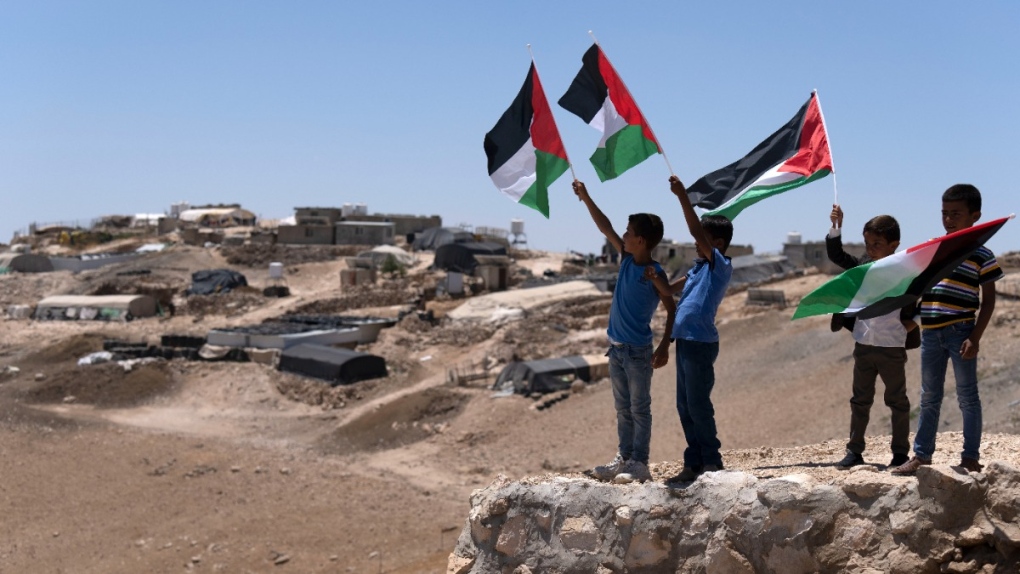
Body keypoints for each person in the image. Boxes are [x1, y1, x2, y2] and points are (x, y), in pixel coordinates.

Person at [893, 184, 1003, 475]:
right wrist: (913, 319)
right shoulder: (935, 248)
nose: (949, 220)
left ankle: (970, 457)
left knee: (967, 396)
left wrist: (975, 338)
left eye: (956, 214)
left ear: (975, 215)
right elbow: (925, 291)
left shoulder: (982, 254)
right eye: (945, 213)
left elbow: (989, 302)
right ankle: (921, 456)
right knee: (929, 395)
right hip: (931, 333)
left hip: (961, 332)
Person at [572, 179, 676, 484]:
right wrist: (586, 196)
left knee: (639, 408)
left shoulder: (654, 273)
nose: (624, 236)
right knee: (622, 409)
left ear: (641, 240)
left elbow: (672, 308)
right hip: (615, 348)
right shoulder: (627, 259)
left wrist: (665, 346)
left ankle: (639, 463)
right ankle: (624, 459)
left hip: (637, 351)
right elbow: (605, 228)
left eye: (629, 233)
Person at [646, 175, 733, 483]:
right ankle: (693, 461)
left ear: (717, 244)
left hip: (700, 343)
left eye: (703, 240)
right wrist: (652, 275)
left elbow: (696, 230)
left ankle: (711, 460)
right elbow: (669, 290)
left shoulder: (718, 266)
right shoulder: (697, 268)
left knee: (698, 403)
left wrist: (682, 197)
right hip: (684, 341)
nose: (696, 242)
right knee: (684, 404)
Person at [826, 205, 917, 469]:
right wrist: (836, 226)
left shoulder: (906, 272)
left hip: (892, 346)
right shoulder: (862, 267)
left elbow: (925, 295)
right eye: (867, 242)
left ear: (894, 245)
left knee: (897, 401)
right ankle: (854, 451)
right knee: (860, 400)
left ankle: (900, 453)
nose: (870, 248)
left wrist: (913, 323)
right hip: (864, 344)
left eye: (877, 243)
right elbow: (836, 254)